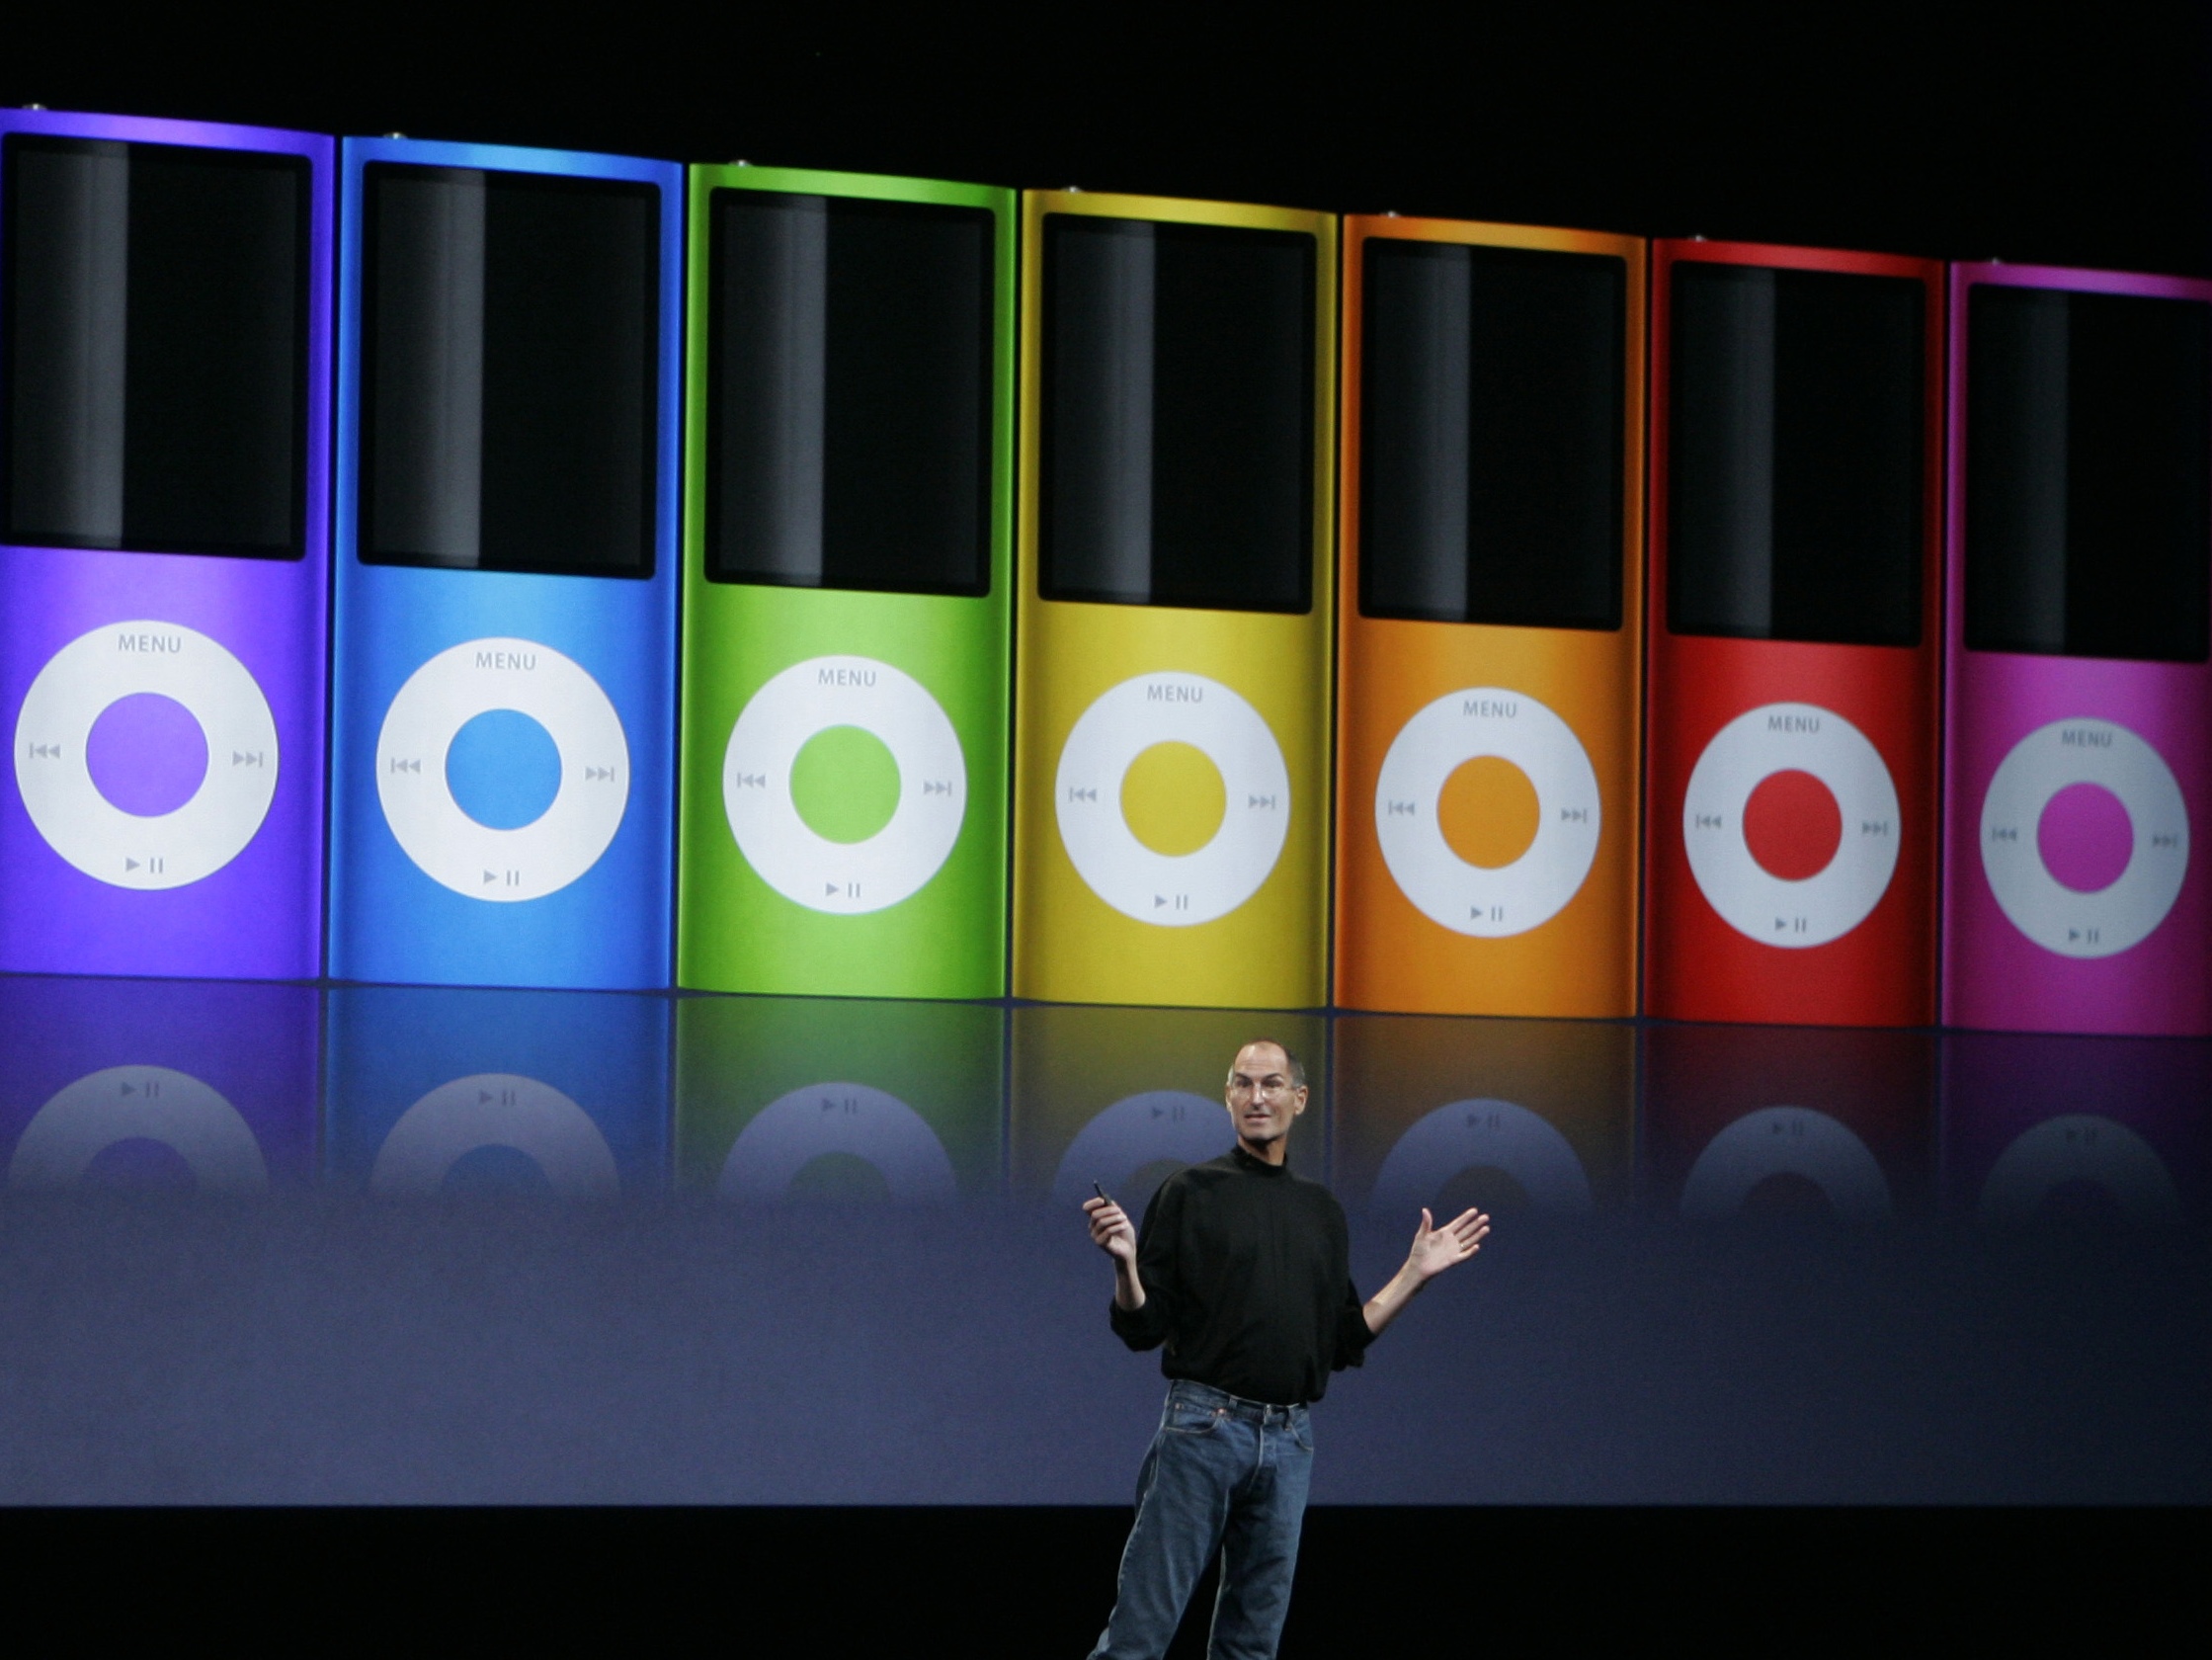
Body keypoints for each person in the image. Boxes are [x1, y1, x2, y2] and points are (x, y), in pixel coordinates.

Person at [1079, 1038, 1490, 1658]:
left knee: (1252, 1646)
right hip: (1203, 1429)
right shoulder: (1190, 1191)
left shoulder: (1320, 1210)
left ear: (1298, 1099)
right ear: (1227, 1097)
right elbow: (1143, 1326)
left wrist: (1413, 1274)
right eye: (1243, 1084)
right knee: (1139, 1636)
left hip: (1290, 1440)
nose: (1256, 1097)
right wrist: (1125, 1265)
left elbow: (1341, 1340)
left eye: (1271, 1084)